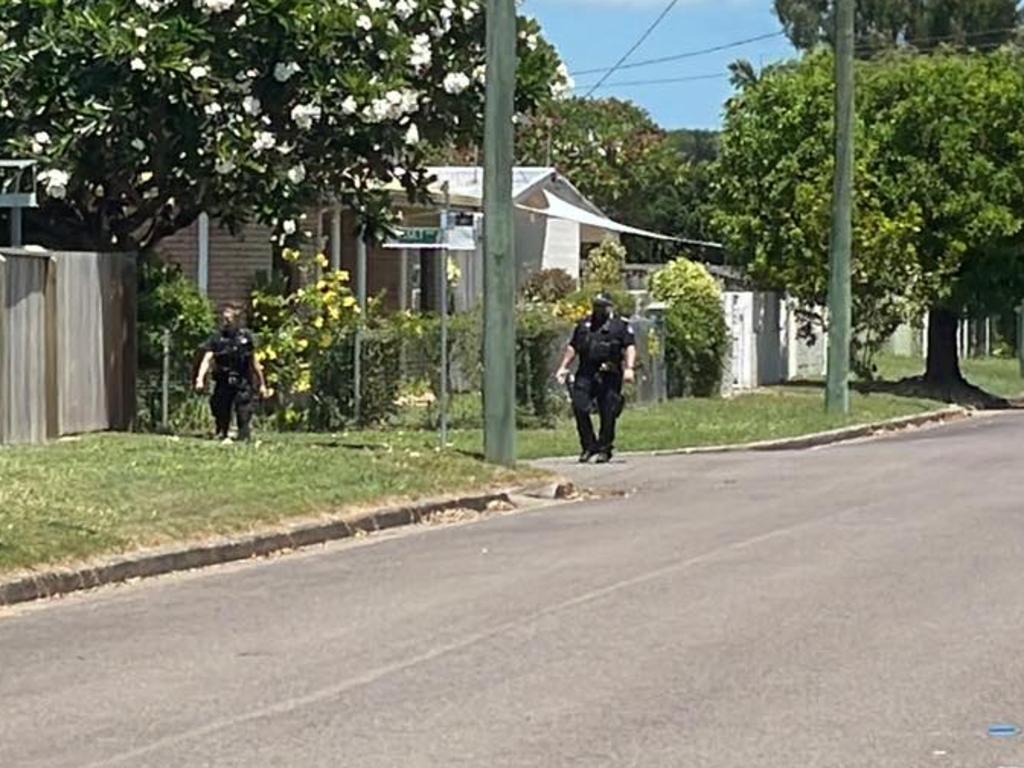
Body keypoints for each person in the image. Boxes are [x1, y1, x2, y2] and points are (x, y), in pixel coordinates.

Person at [556, 293, 637, 464]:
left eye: (602, 306)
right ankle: (588, 445)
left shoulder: (619, 325)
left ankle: (604, 448)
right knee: (580, 407)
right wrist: (563, 367)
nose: (598, 309)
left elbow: (630, 346)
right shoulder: (584, 325)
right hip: (586, 372)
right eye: (596, 305)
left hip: (610, 373)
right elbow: (573, 347)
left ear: (610, 306)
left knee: (608, 412)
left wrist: (629, 368)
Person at [194, 305, 270, 442]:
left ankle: (243, 436)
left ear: (236, 320)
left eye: (229, 319)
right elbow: (207, 359)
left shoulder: (245, 338)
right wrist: (200, 378)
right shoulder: (216, 338)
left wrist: (262, 383)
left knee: (244, 411)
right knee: (220, 409)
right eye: (224, 319)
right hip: (223, 380)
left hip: (242, 380)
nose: (226, 322)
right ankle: (222, 433)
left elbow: (254, 362)